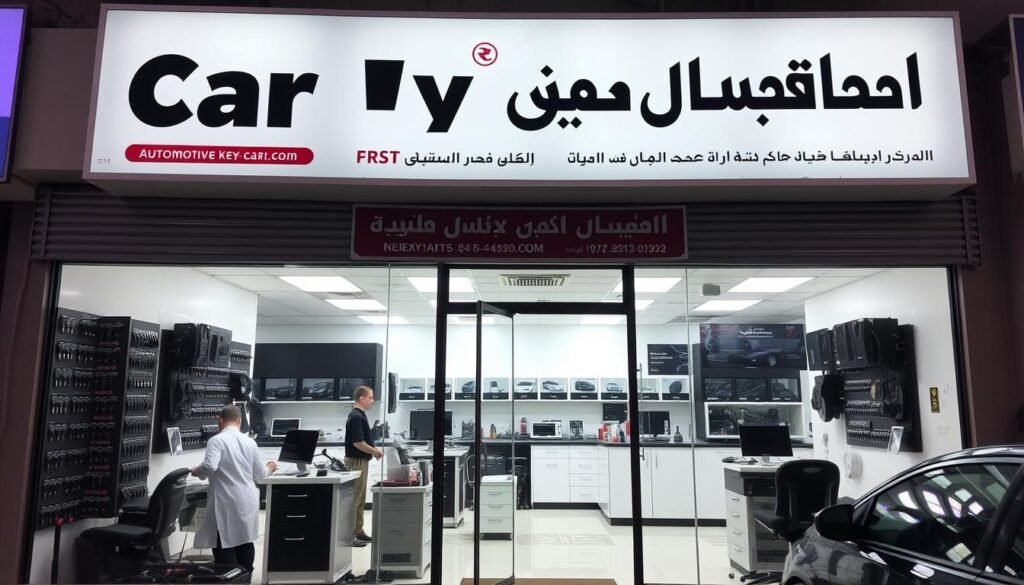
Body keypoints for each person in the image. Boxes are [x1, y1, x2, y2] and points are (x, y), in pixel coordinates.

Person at [191, 405, 277, 575]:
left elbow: (209, 465)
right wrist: (270, 467)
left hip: (226, 500)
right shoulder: (250, 442)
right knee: (245, 540)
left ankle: (228, 576)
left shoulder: (217, 441)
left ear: (219, 421)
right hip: (247, 499)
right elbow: (260, 475)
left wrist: (196, 471)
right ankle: (246, 576)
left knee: (224, 541)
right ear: (239, 421)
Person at [345, 385, 383, 546]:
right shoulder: (356, 417)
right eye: (370, 397)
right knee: (354, 499)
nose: (372, 401)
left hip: (361, 461)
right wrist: (375, 451)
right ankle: (349, 535)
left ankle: (358, 531)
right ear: (361, 398)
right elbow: (358, 442)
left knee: (360, 498)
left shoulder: (359, 415)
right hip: (357, 461)